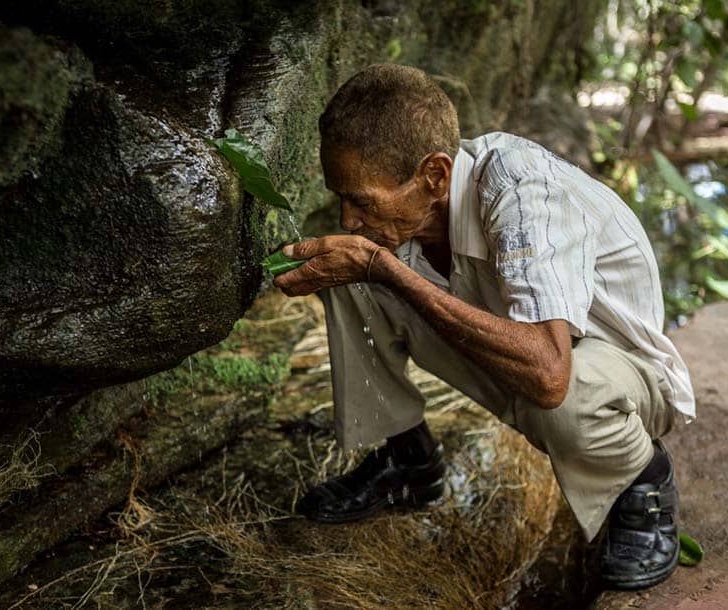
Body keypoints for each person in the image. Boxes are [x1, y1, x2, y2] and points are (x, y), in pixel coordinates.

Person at [272, 63, 695, 590]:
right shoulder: (419, 207)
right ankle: (408, 459)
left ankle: (643, 481)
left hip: (616, 379)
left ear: (434, 175)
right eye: (341, 197)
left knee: (567, 398)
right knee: (344, 270)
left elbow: (548, 373)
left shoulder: (522, 193)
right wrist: (370, 267)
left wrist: (386, 270)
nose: (347, 219)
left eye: (361, 201)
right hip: (523, 353)